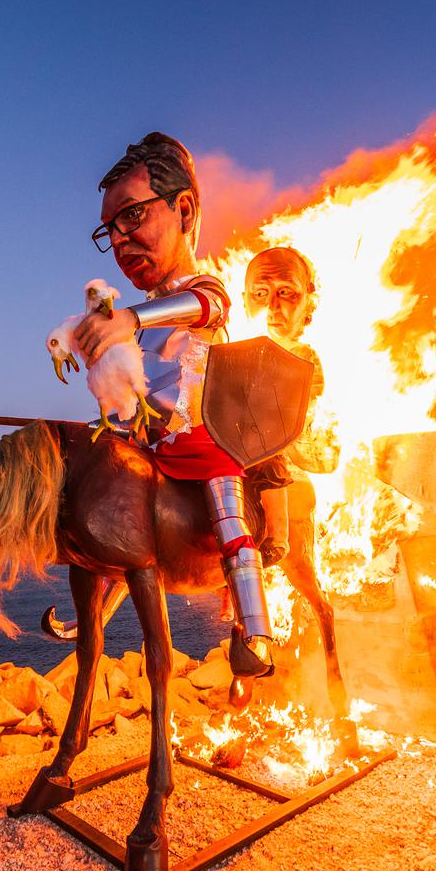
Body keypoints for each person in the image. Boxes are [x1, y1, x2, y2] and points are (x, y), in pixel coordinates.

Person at [71, 131, 275, 676]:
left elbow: (209, 304)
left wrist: (132, 318)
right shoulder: (135, 324)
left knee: (229, 515)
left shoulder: (199, 289)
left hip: (202, 436)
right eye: (109, 230)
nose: (119, 241)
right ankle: (86, 619)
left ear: (183, 208)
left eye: (132, 217)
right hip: (148, 439)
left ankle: (255, 630)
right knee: (115, 517)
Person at [242, 246, 330, 563]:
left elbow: (308, 428)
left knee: (268, 453)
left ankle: (278, 533)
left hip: (276, 454)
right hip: (239, 451)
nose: (272, 307)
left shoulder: (305, 358)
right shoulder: (242, 353)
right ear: (245, 300)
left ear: (308, 300)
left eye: (286, 293)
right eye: (261, 294)